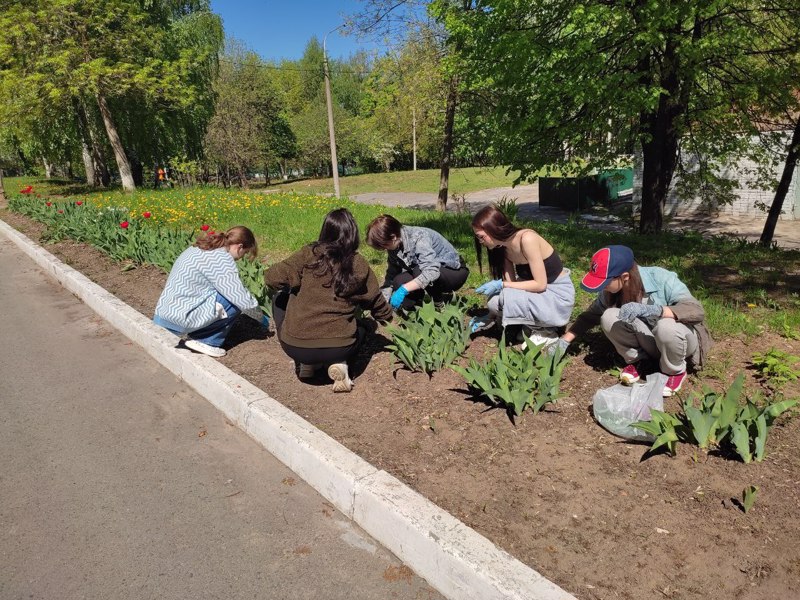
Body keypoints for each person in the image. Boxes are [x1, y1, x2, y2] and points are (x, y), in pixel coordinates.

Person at [553, 245, 712, 397]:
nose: (603, 288)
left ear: (625, 277)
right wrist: (565, 340)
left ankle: (674, 371)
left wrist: (658, 310)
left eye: (606, 282)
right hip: (651, 342)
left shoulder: (661, 278)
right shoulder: (610, 292)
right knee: (609, 316)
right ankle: (640, 361)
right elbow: (591, 316)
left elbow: (696, 310)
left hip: (679, 341)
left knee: (665, 326)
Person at [265, 208, 392, 392]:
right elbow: (375, 300)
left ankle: (306, 364)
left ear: (325, 230)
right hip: (339, 346)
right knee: (365, 327)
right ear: (353, 234)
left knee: (279, 299)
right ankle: (340, 363)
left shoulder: (308, 253)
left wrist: (294, 282)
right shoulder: (358, 262)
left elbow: (272, 278)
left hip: (296, 346)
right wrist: (387, 319)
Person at [153, 226, 268, 358]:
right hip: (179, 318)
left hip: (164, 313)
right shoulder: (221, 259)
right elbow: (239, 296)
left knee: (224, 293)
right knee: (233, 300)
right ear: (239, 247)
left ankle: (201, 333)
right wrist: (261, 317)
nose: (241, 258)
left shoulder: (200, 248)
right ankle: (206, 341)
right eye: (245, 253)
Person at [469, 205, 575, 344]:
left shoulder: (527, 239)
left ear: (492, 230)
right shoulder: (502, 248)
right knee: (495, 301)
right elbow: (511, 288)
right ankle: (531, 324)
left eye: (481, 237)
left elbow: (540, 284)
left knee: (500, 300)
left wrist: (501, 284)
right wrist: (490, 316)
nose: (480, 242)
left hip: (556, 294)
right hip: (539, 294)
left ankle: (547, 331)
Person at [366, 214, 469, 311]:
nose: (384, 249)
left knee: (418, 271)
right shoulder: (394, 244)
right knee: (398, 281)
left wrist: (404, 289)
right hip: (426, 270)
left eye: (384, 246)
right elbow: (392, 273)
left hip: (453, 272)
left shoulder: (419, 237)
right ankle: (414, 312)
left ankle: (439, 303)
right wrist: (385, 299)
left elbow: (432, 272)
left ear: (393, 237)